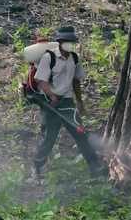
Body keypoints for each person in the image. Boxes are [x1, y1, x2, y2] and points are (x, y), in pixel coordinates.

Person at [30, 26, 102, 178]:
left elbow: (76, 81)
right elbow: (40, 80)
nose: (70, 45)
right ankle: (37, 166)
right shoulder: (49, 58)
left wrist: (80, 102)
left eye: (72, 42)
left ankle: (95, 167)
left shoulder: (74, 58)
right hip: (50, 104)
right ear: (60, 42)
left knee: (81, 134)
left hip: (68, 103)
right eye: (67, 42)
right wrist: (52, 95)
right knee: (49, 138)